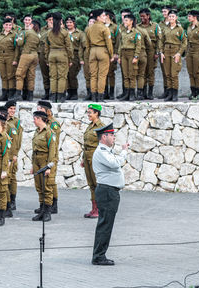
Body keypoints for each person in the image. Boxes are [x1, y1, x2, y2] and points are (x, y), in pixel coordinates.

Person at [91, 123, 129, 265]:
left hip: (110, 192)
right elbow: (114, 164)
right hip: (107, 192)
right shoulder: (101, 151)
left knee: (106, 224)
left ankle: (99, 254)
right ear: (104, 136)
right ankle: (99, 256)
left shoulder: (106, 150)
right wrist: (124, 151)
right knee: (105, 225)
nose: (114, 137)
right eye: (111, 135)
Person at [31, 111, 57, 222]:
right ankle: (42, 210)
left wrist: (49, 167)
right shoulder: (37, 132)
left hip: (45, 161)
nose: (33, 121)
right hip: (37, 161)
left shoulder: (49, 132)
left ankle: (47, 212)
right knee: (39, 187)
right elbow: (34, 150)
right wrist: (33, 165)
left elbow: (52, 150)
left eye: (34, 119)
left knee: (47, 187)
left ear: (39, 119)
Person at [81, 104, 105, 218]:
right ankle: (94, 208)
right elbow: (85, 143)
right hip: (87, 156)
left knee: (97, 184)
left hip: (95, 157)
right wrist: (83, 158)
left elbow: (105, 144)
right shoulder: (90, 126)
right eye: (88, 112)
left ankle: (100, 209)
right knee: (91, 184)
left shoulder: (101, 127)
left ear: (96, 113)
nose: (88, 114)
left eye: (90, 112)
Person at [36, 101, 60, 213]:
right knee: (44, 183)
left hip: (51, 155)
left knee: (50, 182)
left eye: (41, 110)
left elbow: (54, 143)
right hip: (42, 156)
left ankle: (53, 205)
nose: (38, 113)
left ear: (48, 111)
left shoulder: (53, 124)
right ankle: (45, 206)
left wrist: (52, 160)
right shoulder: (41, 123)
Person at [44, 12, 73, 103]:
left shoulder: (49, 32)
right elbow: (69, 47)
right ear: (61, 20)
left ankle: (53, 97)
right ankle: (60, 96)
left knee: (53, 76)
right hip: (62, 54)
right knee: (62, 76)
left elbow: (46, 46)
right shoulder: (64, 32)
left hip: (51, 54)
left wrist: (46, 58)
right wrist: (70, 58)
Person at [86, 9, 114, 102]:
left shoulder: (89, 28)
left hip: (92, 51)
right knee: (102, 75)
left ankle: (93, 97)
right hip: (102, 51)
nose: (105, 17)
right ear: (98, 17)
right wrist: (111, 55)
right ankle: (100, 97)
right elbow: (109, 43)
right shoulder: (105, 28)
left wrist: (89, 53)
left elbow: (87, 44)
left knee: (93, 75)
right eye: (103, 16)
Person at [160, 10, 187, 102]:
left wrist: (179, 53)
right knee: (167, 74)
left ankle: (175, 95)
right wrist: (161, 52)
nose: (171, 18)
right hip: (166, 51)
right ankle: (169, 94)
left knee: (174, 74)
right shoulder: (165, 29)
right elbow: (161, 41)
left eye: (173, 16)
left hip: (175, 51)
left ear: (176, 18)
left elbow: (184, 42)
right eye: (170, 16)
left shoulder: (180, 29)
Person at [12, 19, 40, 101]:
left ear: (32, 25)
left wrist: (17, 40)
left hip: (26, 55)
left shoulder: (25, 32)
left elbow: (20, 43)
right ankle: (30, 95)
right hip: (35, 55)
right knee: (31, 76)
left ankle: (18, 95)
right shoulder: (37, 35)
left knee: (19, 75)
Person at [137, 8, 162, 99]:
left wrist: (157, 52)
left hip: (152, 51)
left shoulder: (155, 26)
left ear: (148, 16)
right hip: (142, 51)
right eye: (140, 16)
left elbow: (159, 40)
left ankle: (150, 93)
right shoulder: (138, 26)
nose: (142, 18)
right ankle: (142, 92)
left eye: (143, 16)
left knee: (150, 72)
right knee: (142, 72)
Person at [0, 18, 20, 101]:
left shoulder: (14, 35)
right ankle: (4, 94)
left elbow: (17, 48)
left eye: (9, 25)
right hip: (1, 56)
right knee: (3, 76)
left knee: (11, 75)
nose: (8, 26)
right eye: (6, 25)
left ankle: (11, 94)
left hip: (10, 56)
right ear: (3, 25)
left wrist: (15, 59)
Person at [117, 14, 141, 101]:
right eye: (124, 20)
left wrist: (136, 56)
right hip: (124, 54)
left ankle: (132, 94)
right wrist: (119, 56)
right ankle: (126, 94)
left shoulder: (136, 33)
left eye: (126, 20)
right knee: (125, 75)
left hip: (131, 54)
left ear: (131, 22)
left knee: (132, 75)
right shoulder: (123, 32)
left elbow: (138, 46)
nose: (124, 22)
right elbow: (120, 45)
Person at [5, 100, 23, 210]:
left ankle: (12, 200)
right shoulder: (3, 120)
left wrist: (15, 153)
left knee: (11, 177)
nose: (12, 111)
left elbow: (18, 139)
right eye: (11, 108)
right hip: (4, 153)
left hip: (12, 153)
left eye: (14, 109)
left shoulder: (16, 122)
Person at [66, 15, 85, 101]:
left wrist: (82, 58)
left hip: (75, 55)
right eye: (67, 22)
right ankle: (69, 92)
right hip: (65, 55)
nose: (68, 24)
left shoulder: (80, 33)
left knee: (72, 75)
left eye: (70, 22)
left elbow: (83, 45)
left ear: (74, 23)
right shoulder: (64, 32)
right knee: (66, 75)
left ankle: (74, 93)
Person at [104, 10, 119, 100]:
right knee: (103, 73)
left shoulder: (115, 27)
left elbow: (117, 41)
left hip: (112, 52)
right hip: (103, 52)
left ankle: (111, 92)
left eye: (104, 16)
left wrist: (116, 53)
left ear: (108, 16)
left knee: (111, 73)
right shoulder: (101, 26)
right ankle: (105, 91)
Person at [39, 13, 53, 100]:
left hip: (53, 53)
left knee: (54, 74)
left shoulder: (58, 29)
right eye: (50, 20)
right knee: (45, 74)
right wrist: (50, 30)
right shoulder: (42, 30)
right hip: (43, 53)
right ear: (46, 20)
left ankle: (53, 92)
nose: (51, 21)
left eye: (52, 20)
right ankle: (47, 92)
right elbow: (41, 39)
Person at [83, 16, 95, 100]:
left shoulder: (97, 31)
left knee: (94, 74)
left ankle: (94, 92)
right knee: (87, 74)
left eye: (93, 22)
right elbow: (82, 45)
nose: (91, 23)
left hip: (94, 53)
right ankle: (89, 93)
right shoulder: (85, 31)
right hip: (86, 54)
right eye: (90, 21)